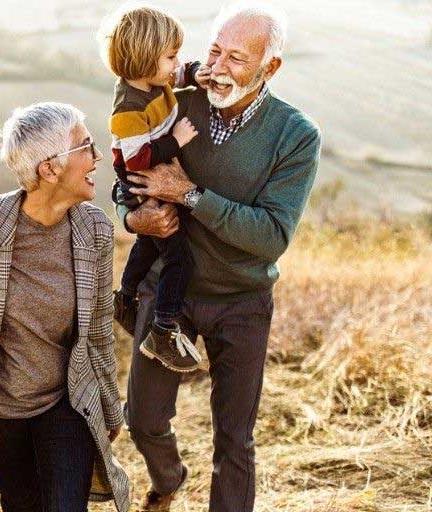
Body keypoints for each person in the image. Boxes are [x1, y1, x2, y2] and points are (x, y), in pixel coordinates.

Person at [117, 4, 322, 511]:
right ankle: (168, 479)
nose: (220, 67)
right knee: (142, 419)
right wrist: (133, 219)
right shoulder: (174, 103)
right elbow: (127, 174)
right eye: (214, 51)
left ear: (269, 68)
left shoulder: (295, 135)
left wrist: (190, 195)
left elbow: (272, 235)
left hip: (242, 300)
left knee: (235, 440)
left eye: (237, 57)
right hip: (170, 291)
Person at [0, 102, 129, 512]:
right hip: (0, 410)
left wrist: (110, 408)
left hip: (66, 401)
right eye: (85, 146)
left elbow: (97, 331)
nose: (96, 158)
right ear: (50, 168)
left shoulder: (94, 230)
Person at [98, 3, 211, 372]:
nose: (175, 65)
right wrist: (176, 140)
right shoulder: (127, 109)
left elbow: (176, 75)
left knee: (148, 245)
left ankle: (125, 299)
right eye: (171, 56)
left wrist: (196, 72)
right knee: (179, 258)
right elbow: (137, 161)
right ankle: (163, 330)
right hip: (140, 183)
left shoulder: (154, 80)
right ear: (146, 59)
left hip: (151, 175)